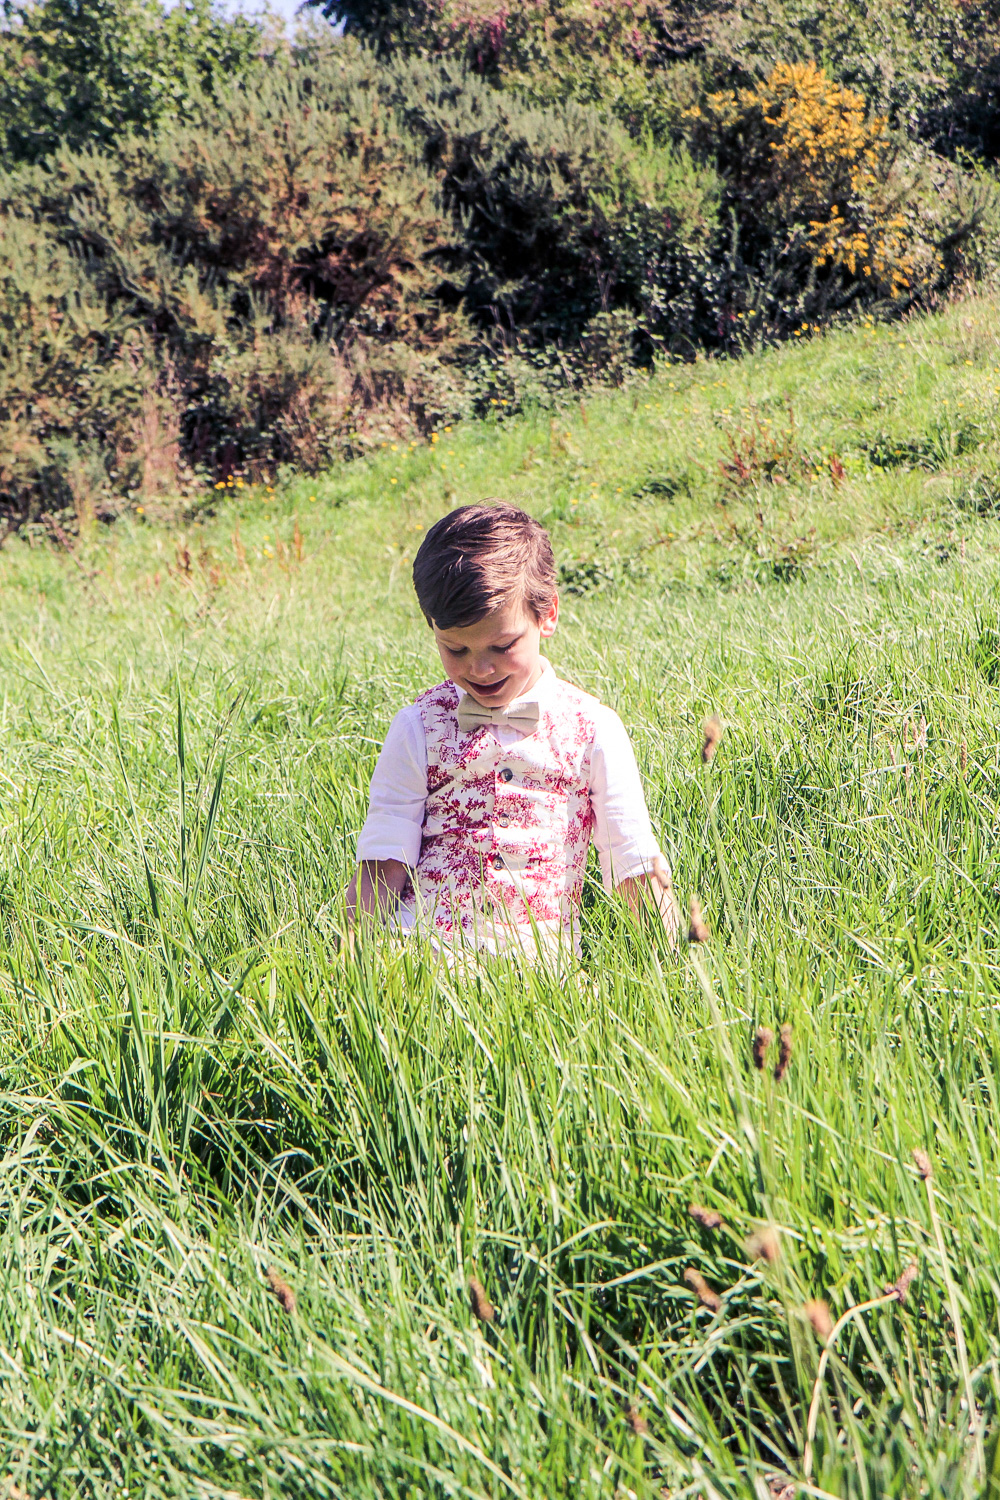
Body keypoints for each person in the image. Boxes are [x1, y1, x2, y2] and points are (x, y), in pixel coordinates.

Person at [346, 502, 678, 962]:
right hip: (419, 959)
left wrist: (679, 970)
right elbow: (383, 862)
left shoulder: (595, 730)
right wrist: (348, 967)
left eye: (503, 646)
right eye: (455, 649)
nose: (479, 668)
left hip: (539, 971)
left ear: (548, 615)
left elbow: (633, 862)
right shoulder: (418, 727)